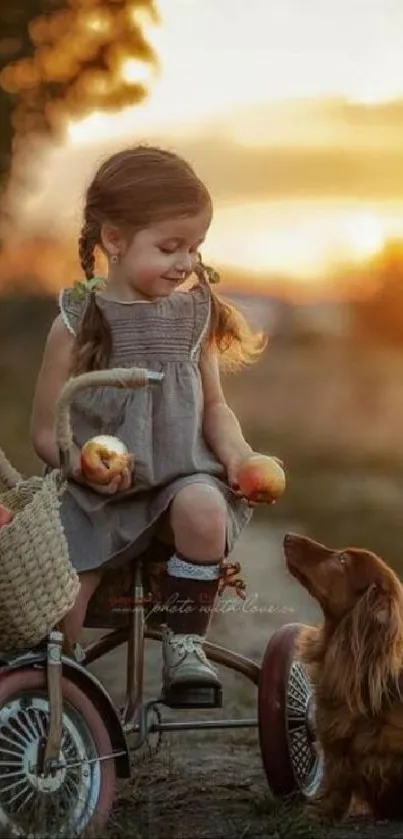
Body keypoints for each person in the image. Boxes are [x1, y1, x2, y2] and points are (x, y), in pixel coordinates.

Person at [31, 145, 279, 702]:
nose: (186, 262)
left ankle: (185, 644)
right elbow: (47, 431)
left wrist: (237, 458)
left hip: (177, 479)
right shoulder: (76, 322)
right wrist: (81, 469)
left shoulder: (195, 316)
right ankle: (62, 695)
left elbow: (214, 407)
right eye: (169, 247)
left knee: (203, 504)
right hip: (99, 495)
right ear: (114, 240)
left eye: (194, 247)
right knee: (60, 598)